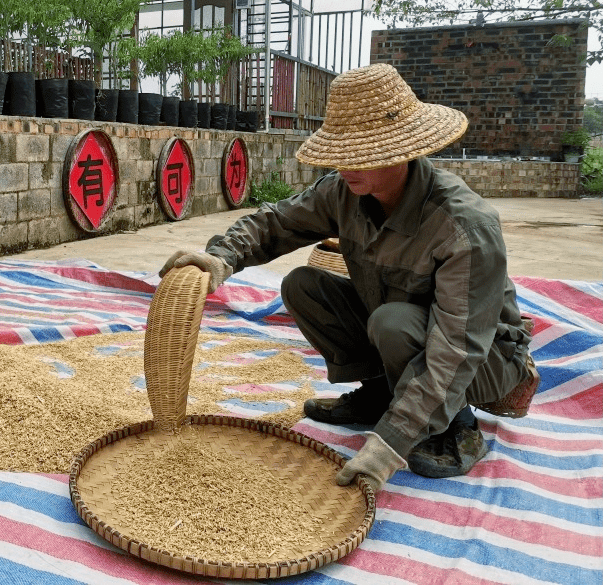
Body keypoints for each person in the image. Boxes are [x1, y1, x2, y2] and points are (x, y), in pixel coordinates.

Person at [159, 63, 539, 492]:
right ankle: (381, 393)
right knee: (304, 286)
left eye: (359, 155)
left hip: (482, 361)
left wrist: (389, 445)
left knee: (392, 322)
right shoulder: (345, 191)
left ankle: (457, 425)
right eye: (340, 153)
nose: (344, 166)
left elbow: (457, 349)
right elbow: (276, 224)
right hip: (411, 340)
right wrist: (220, 258)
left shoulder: (463, 227)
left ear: (401, 151)